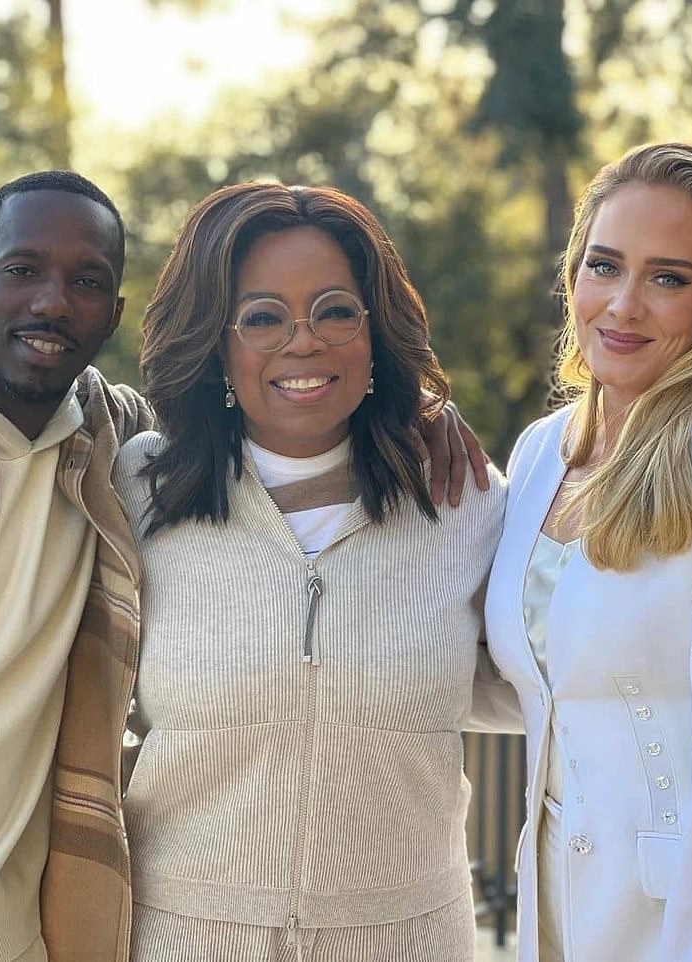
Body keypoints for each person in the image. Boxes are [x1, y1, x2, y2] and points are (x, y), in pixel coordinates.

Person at [0, 171, 477, 962]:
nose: (52, 303)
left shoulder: (113, 450)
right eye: (21, 270)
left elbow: (278, 407)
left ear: (114, 313)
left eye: (87, 281)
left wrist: (417, 409)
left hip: (27, 930)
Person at [113, 181, 517, 962]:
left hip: (409, 939)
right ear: (216, 342)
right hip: (180, 936)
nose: (303, 343)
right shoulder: (139, 488)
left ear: (375, 332)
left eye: (335, 310)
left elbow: (552, 678)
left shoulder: (464, 498)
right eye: (263, 317)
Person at [484, 142, 692, 962]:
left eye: (668, 278)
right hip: (554, 907)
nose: (622, 305)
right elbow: (532, 680)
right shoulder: (544, 450)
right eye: (604, 265)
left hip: (687, 918)